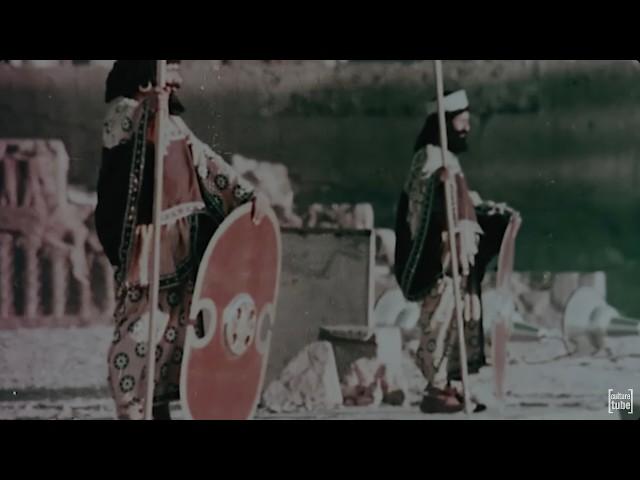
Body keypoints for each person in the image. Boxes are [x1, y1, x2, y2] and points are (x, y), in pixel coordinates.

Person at [95, 60, 270, 420]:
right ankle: (130, 404)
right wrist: (149, 114)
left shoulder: (173, 121)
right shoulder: (122, 113)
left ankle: (157, 403)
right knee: (142, 327)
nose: (175, 84)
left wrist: (249, 196)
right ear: (144, 79)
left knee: (175, 330)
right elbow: (123, 150)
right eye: (167, 76)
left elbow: (207, 162)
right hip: (147, 244)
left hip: (182, 241)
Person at [394, 89, 521, 413]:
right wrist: (442, 183)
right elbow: (421, 204)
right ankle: (435, 389)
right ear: (444, 124)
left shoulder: (449, 159)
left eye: (467, 122)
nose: (466, 128)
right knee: (437, 320)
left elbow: (466, 202)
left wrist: (491, 211)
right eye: (460, 122)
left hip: (457, 259)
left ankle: (453, 383)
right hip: (438, 258)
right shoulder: (428, 158)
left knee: (456, 319)